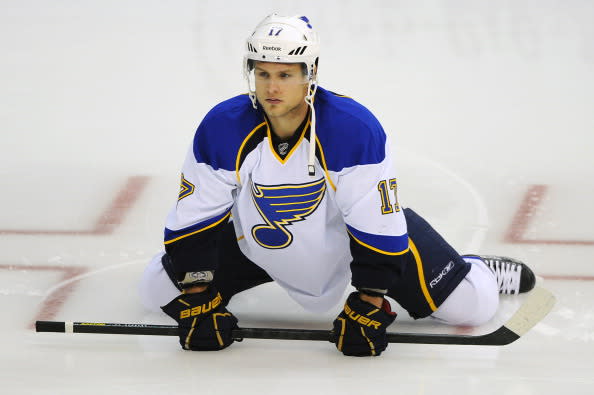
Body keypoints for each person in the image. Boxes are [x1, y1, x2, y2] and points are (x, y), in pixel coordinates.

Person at [138, 14, 536, 356]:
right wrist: (198, 296)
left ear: (309, 74)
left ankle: (471, 268)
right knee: (156, 292)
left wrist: (370, 300)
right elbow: (194, 217)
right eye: (263, 73)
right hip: (259, 241)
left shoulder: (352, 130)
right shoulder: (222, 128)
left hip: (347, 242)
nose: (272, 88)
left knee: (474, 306)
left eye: (284, 75)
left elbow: (375, 226)